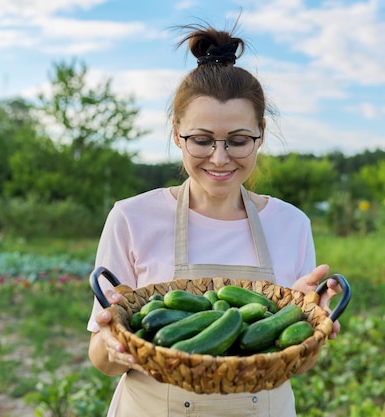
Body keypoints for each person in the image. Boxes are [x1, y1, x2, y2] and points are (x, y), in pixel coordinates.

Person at [87, 22, 342, 417]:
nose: (220, 158)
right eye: (202, 140)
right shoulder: (131, 217)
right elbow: (100, 359)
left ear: (260, 133)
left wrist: (311, 327)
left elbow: (294, 360)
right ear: (177, 134)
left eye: (238, 140)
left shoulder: (291, 223)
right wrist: (116, 346)